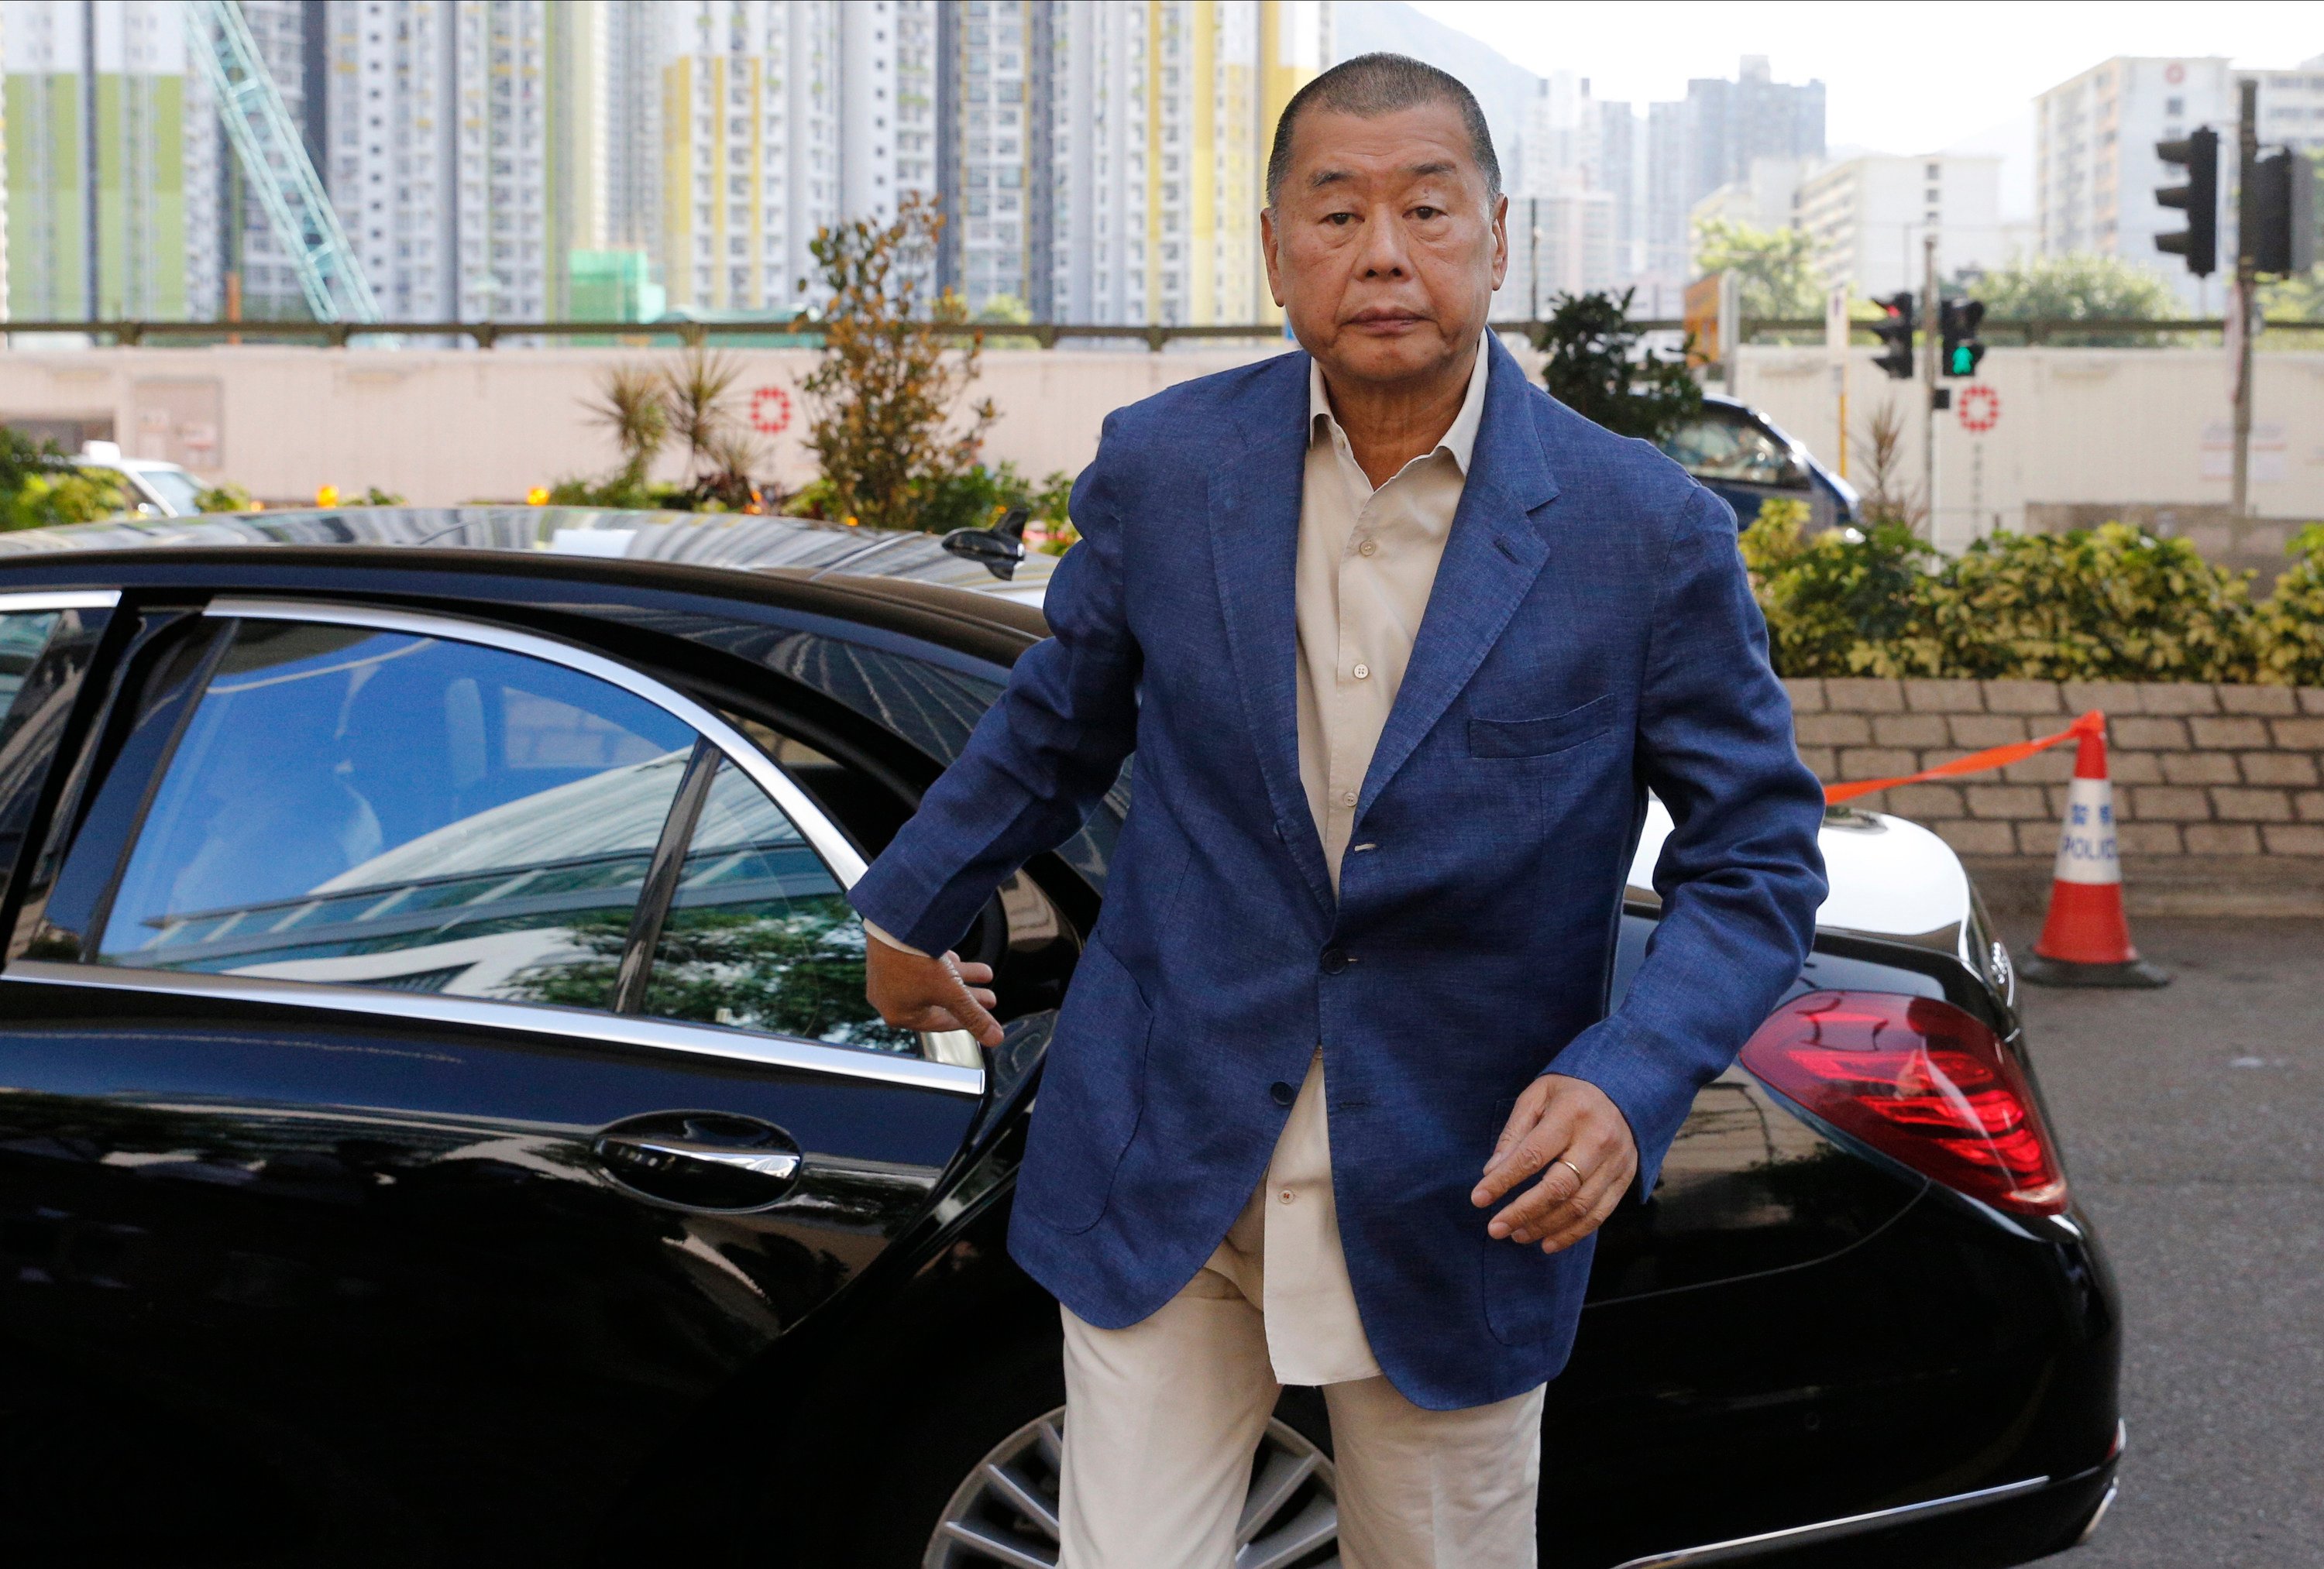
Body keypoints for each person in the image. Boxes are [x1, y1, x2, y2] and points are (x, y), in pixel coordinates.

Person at [850, 52, 1827, 1569]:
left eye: (1428, 208)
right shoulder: (1167, 468)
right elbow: (1059, 715)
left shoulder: (1646, 534)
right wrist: (907, 901)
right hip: (1167, 1142)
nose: (1384, 250)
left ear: (1498, 239)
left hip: (1460, 1178)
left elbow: (1756, 859)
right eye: (1339, 210)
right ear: (1275, 251)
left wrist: (1631, 1075)